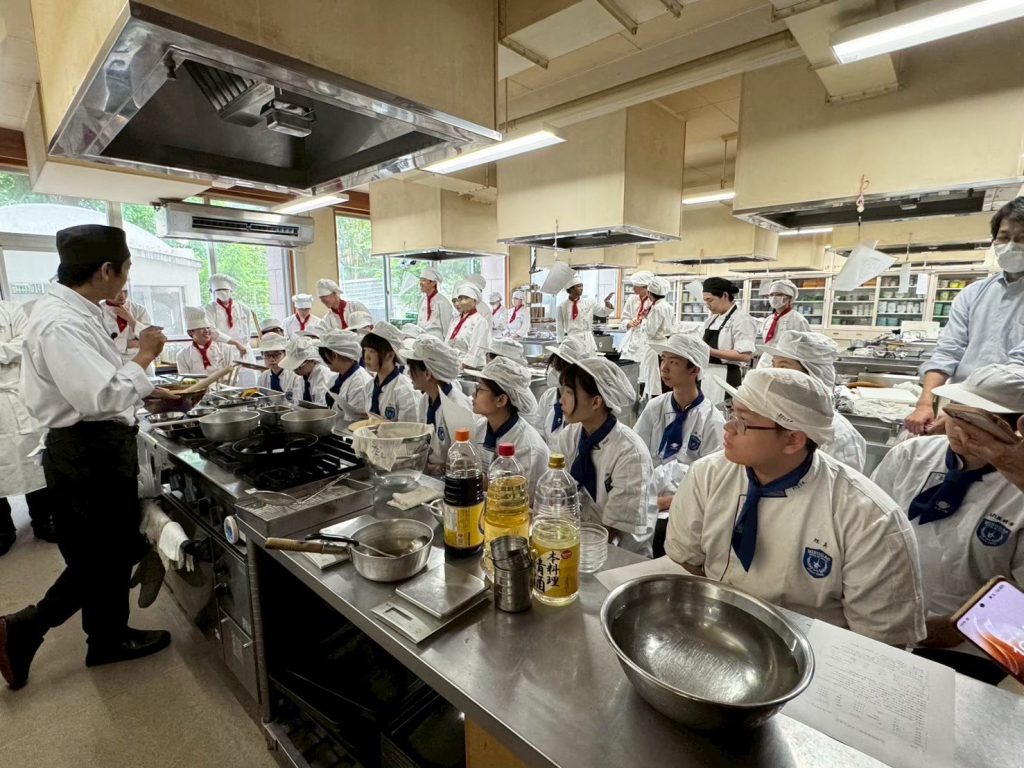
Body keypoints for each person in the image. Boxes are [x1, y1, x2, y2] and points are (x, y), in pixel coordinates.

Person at [0, 225, 171, 690]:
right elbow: (98, 395)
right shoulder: (60, 322)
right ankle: (24, 626)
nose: (127, 279)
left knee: (109, 551)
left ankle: (107, 639)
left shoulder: (80, 311)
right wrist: (145, 357)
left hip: (97, 444)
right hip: (86, 449)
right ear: (106, 269)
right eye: (126, 268)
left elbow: (101, 376)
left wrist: (140, 387)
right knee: (102, 557)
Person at [665, 368, 925, 646]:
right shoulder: (708, 475)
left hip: (812, 654)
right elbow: (685, 559)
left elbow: (880, 642)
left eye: (743, 422)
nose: (727, 428)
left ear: (793, 440)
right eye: (732, 413)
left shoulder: (870, 519)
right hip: (715, 632)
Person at [871, 363, 1024, 682]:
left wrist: (958, 630)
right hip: (885, 620)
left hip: (971, 650)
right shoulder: (912, 455)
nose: (960, 427)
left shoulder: (1018, 490)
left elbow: (1019, 612)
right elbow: (868, 529)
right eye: (956, 412)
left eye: (979, 420)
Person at [906, 198, 1024, 434]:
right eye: (1004, 237)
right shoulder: (974, 293)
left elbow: (1017, 370)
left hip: (1014, 417)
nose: (1011, 245)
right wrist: (925, 403)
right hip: (963, 407)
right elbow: (947, 352)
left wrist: (963, 416)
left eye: (1022, 238)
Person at [556, 356, 656, 556]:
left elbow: (612, 533)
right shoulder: (570, 435)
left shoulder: (630, 453)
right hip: (575, 543)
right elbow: (561, 493)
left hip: (619, 557)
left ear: (596, 402)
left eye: (569, 392)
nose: (561, 400)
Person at [634, 334, 724, 554]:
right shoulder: (655, 408)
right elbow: (635, 456)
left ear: (694, 370)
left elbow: (714, 482)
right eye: (663, 359)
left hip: (687, 507)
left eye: (673, 362)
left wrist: (669, 501)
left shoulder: (712, 421)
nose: (664, 368)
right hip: (645, 498)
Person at [755, 330, 867, 472]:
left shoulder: (838, 436)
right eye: (774, 365)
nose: (774, 374)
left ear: (813, 376)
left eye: (784, 367)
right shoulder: (776, 417)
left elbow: (839, 489)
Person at [0, 300, 55, 556]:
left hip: (17, 397)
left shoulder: (12, 310)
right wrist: (6, 351)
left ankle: (43, 520)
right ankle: (2, 529)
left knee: (33, 461)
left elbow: (24, 342)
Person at [471, 357, 549, 497]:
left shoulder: (528, 448)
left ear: (501, 400)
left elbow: (523, 503)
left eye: (480, 389)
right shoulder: (481, 427)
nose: (473, 395)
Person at [405, 336, 475, 471]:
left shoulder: (457, 407)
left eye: (412, 369)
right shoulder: (425, 400)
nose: (408, 373)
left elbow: (465, 461)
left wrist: (441, 468)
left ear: (427, 373)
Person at [525, 336, 594, 442]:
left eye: (559, 367)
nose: (553, 371)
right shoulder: (548, 396)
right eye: (553, 365)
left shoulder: (583, 402)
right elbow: (539, 433)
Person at [700, 276, 758, 401]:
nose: (708, 305)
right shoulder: (712, 319)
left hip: (727, 375)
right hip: (707, 374)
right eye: (705, 301)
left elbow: (744, 356)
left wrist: (711, 351)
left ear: (725, 295)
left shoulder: (742, 320)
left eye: (710, 300)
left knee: (723, 414)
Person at [361, 321, 417, 421]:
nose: (366, 357)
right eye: (365, 350)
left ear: (390, 355)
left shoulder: (405, 391)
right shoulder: (369, 387)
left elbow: (410, 431)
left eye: (372, 352)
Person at [204, 274, 253, 383]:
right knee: (228, 383)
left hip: (244, 350)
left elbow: (247, 330)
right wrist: (233, 342)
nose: (222, 293)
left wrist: (244, 345)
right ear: (212, 292)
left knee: (248, 383)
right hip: (223, 351)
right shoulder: (209, 309)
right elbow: (211, 331)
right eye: (218, 290)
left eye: (225, 290)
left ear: (231, 291)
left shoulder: (243, 308)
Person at [314, 330, 371, 423]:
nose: (324, 362)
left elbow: (355, 422)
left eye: (325, 357)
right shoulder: (337, 377)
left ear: (334, 355)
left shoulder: (359, 384)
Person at [755, 279, 810, 369]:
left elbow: (806, 347)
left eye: (778, 294)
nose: (774, 297)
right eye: (771, 295)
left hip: (786, 363)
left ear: (789, 298)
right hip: (766, 361)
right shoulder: (769, 319)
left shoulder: (798, 319)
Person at [636, 276, 675, 398]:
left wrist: (643, 321)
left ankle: (654, 401)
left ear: (649, 293)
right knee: (657, 377)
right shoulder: (667, 306)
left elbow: (651, 331)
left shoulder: (657, 308)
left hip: (654, 347)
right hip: (664, 344)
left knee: (653, 379)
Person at [555, 273, 611, 354]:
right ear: (571, 289)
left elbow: (603, 312)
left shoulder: (589, 302)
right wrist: (560, 344)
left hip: (588, 341)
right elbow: (559, 327)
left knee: (589, 364)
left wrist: (607, 302)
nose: (581, 288)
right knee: (576, 364)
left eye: (582, 286)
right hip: (572, 341)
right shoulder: (561, 306)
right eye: (578, 286)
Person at [176, 307, 239, 375]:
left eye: (208, 328)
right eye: (201, 328)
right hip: (198, 386)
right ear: (190, 332)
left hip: (223, 385)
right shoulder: (183, 355)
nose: (206, 331)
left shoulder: (225, 349)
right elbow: (186, 380)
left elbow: (232, 373)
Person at [103, 287, 152, 371]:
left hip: (139, 360)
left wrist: (131, 320)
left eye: (125, 291)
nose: (122, 295)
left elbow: (150, 338)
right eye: (117, 291)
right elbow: (101, 341)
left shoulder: (139, 309)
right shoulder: (98, 311)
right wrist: (128, 344)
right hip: (111, 362)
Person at [278, 336, 332, 406]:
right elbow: (297, 401)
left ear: (312, 361)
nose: (295, 370)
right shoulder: (302, 378)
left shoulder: (324, 377)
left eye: (298, 367)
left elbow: (323, 407)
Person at [449, 281, 491, 368]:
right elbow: (447, 343)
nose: (462, 302)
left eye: (466, 298)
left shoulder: (480, 321)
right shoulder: (455, 321)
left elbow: (476, 350)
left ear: (474, 301)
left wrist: (462, 366)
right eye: (460, 298)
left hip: (470, 368)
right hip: (453, 364)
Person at [617, 270, 653, 360]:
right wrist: (629, 323)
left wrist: (644, 320)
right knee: (628, 364)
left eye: (636, 286)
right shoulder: (632, 299)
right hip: (632, 340)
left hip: (646, 340)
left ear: (644, 287)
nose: (633, 288)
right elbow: (624, 318)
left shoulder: (653, 301)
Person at [417, 267, 456, 341]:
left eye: (424, 280)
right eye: (420, 280)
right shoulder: (422, 300)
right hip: (422, 339)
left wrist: (446, 345)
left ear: (433, 283)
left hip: (437, 340)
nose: (420, 283)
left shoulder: (443, 301)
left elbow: (447, 326)